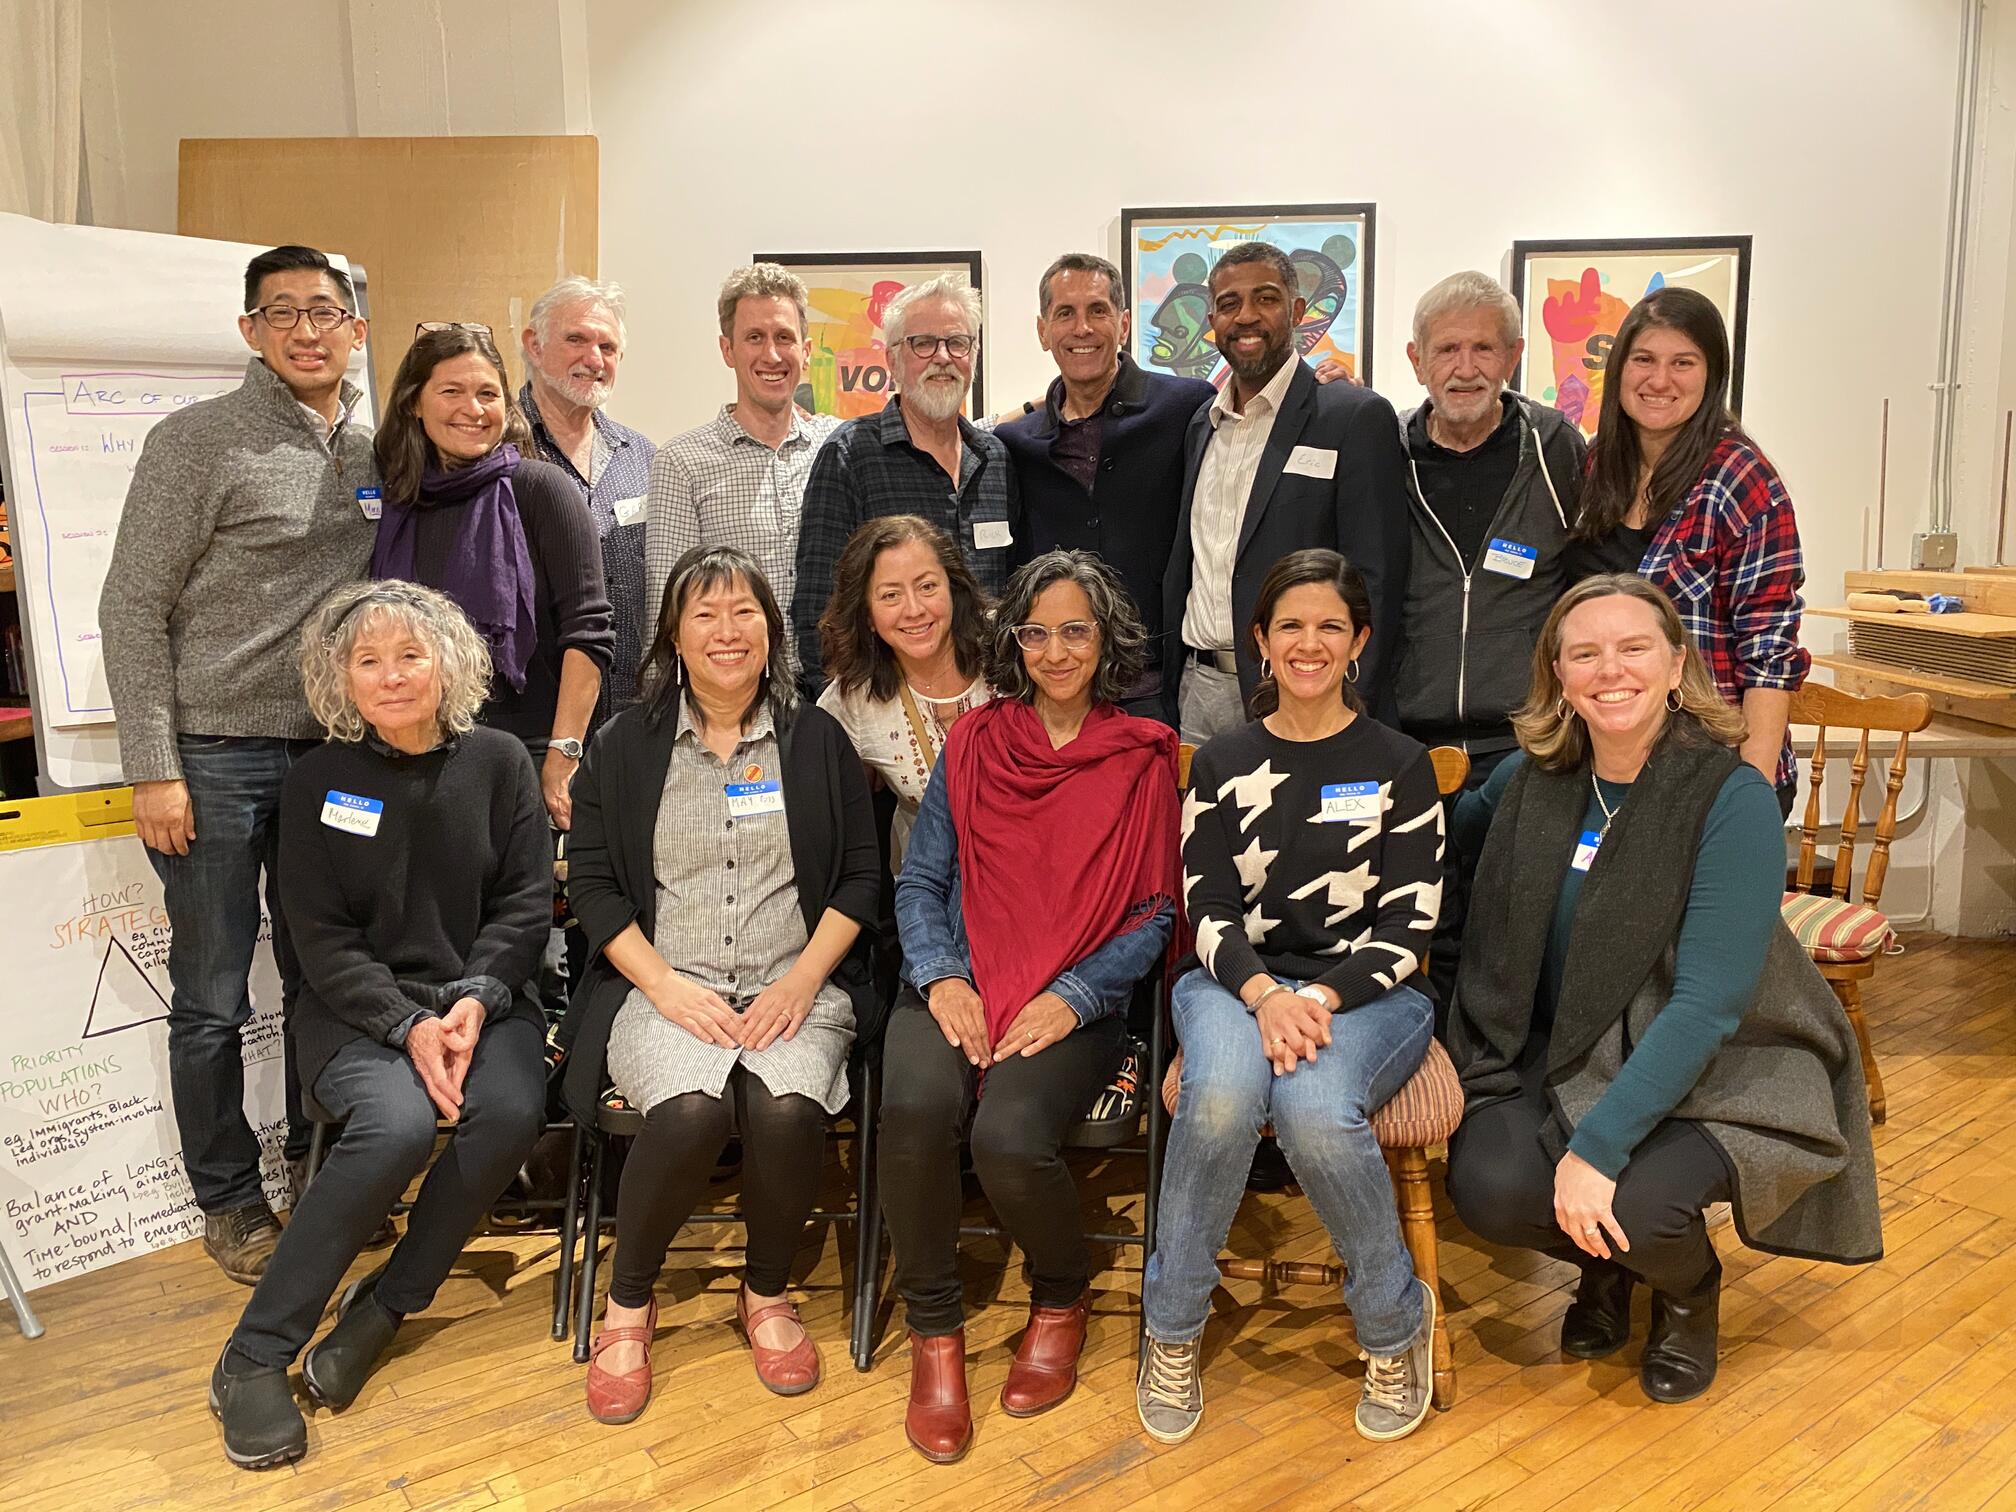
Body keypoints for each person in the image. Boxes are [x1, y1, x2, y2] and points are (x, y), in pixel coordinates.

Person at [1445, 575, 1881, 1406]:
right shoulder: (1526, 784)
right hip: (1569, 1043)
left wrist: (1596, 1149)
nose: (1612, 670)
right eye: (1586, 653)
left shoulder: (1729, 799)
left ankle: (1686, 1290)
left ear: (1676, 665)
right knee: (1491, 1189)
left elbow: (1711, 1004)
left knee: (1638, 1201)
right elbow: (1451, 851)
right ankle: (1606, 1274)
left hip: (1717, 1060)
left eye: (1634, 647)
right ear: (1560, 677)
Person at [207, 580, 552, 1470]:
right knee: (396, 1122)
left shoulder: (502, 761)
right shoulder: (317, 781)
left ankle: (389, 1303)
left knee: (511, 1111)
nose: (392, 676)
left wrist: (472, 1000)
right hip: (352, 1013)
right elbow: (317, 939)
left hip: (485, 1001)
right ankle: (252, 1356)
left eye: (411, 655)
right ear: (341, 679)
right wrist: (407, 1027)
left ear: (451, 661)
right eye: (370, 661)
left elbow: (522, 904)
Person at [100, 245, 376, 1286]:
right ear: (250, 330)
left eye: (325, 310)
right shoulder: (197, 442)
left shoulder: (375, 448)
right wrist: (153, 765)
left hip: (332, 758)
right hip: (213, 756)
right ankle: (229, 1200)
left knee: (324, 977)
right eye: (283, 313)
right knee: (212, 993)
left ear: (354, 326)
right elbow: (131, 605)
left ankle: (324, 1175)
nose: (307, 330)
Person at [562, 547, 880, 1422]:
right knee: (692, 1111)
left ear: (771, 629)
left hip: (797, 982)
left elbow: (858, 878)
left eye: (744, 610)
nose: (726, 631)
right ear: (673, 632)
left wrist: (803, 982)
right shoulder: (625, 745)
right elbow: (589, 883)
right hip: (668, 984)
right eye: (704, 614)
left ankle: (767, 1293)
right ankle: (629, 1301)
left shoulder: (816, 740)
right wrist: (664, 988)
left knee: (785, 1110)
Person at [1137, 548, 1441, 1446]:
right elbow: (1208, 910)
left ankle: (1393, 1324)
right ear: (1261, 643)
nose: (1311, 644)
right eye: (1291, 626)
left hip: (1373, 995)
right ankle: (1174, 1325)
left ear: (1359, 644)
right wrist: (1270, 996)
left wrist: (1316, 1003)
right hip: (1236, 983)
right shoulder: (1222, 762)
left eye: (1331, 627)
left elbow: (1409, 927)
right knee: (1222, 1095)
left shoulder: (1402, 764)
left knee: (1313, 1109)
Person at [882, 549, 1176, 1464]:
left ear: (1105, 640)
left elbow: (1155, 912)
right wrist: (943, 976)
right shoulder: (973, 742)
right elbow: (922, 883)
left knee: (1006, 1138)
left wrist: (1077, 995)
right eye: (1037, 631)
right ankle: (937, 1334)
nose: (1055, 651)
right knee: (915, 1106)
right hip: (960, 978)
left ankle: (1061, 1291)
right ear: (1013, 640)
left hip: (1071, 997)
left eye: (1074, 630)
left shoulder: (1142, 754)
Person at [1392, 271, 1587, 1014]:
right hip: (1410, 741)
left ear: (1513, 354)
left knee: (1516, 925)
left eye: (1483, 347)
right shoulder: (1389, 454)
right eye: (1447, 348)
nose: (1464, 366)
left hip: (1526, 741)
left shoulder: (1557, 449)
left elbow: (1592, 581)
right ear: (1417, 360)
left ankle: (1507, 1074)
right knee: (1421, 923)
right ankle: (1427, 1061)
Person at [1569, 287, 1808, 811]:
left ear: (1712, 374)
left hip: (1713, 768)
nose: (1659, 380)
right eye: (1644, 360)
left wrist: (1752, 797)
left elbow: (1769, 652)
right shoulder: (1594, 467)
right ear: (1619, 370)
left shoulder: (1742, 480)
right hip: (1613, 761)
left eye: (1683, 362)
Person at [368, 323, 615, 831]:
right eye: (451, 391)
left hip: (521, 754)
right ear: (415, 403)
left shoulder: (542, 490)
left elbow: (588, 634)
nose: (473, 409)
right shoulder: (398, 502)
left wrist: (562, 757)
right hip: (407, 751)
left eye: (488, 394)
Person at [1160, 242, 1410, 742]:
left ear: (1296, 310)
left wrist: (1350, 704)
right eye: (1230, 304)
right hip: (1197, 690)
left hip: (1306, 693)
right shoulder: (1202, 425)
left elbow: (1377, 579)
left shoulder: (1350, 416)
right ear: (1213, 320)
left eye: (1266, 299)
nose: (1246, 316)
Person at [997, 253, 1216, 717]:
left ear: (1124, 323)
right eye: (1065, 314)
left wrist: (1326, 389)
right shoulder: (1016, 443)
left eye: (1097, 310)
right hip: (1057, 692)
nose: (1082, 328)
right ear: (1043, 332)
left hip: (1160, 690)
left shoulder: (1186, 407)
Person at [791, 273, 1018, 690]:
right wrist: (842, 721)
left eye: (957, 342)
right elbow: (815, 611)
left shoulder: (995, 459)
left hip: (988, 705)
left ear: (974, 356)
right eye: (923, 343)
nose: (943, 357)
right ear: (892, 360)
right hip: (882, 707)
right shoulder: (850, 455)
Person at [646, 264, 844, 627]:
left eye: (784, 337)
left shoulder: (837, 447)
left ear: (806, 351)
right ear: (727, 350)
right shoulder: (681, 462)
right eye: (754, 337)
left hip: (834, 679)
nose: (771, 355)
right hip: (735, 678)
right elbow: (668, 607)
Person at [814, 515, 995, 868]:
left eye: (927, 587)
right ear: (866, 614)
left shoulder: (1010, 653)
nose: (914, 610)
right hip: (934, 891)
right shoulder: (852, 700)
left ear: (953, 588)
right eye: (890, 595)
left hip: (1041, 871)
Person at [518, 276, 656, 729]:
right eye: (576, 339)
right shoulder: (498, 450)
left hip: (629, 719)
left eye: (608, 347)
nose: (594, 359)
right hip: (529, 720)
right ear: (533, 345)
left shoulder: (644, 458)